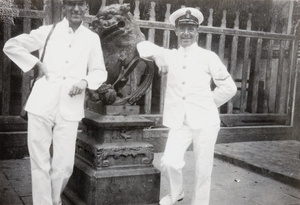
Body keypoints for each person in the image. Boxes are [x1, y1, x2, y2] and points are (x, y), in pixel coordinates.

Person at [3, 0, 107, 204]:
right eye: (71, 4)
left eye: (80, 5)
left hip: (70, 107)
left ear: (87, 7)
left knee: (64, 164)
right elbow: (11, 45)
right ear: (64, 7)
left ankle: (54, 199)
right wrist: (36, 63)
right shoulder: (47, 31)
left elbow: (99, 71)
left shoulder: (91, 38)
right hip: (41, 105)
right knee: (39, 162)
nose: (76, 9)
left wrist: (84, 81)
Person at [137, 7, 237, 205]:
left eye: (191, 29)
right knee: (169, 162)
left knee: (203, 169)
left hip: (206, 122)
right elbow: (142, 46)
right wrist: (157, 58)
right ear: (175, 31)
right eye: (182, 28)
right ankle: (177, 193)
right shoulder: (170, 55)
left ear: (197, 32)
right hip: (180, 122)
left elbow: (229, 87)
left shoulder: (208, 57)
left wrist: (209, 102)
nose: (186, 33)